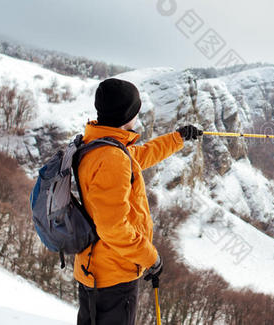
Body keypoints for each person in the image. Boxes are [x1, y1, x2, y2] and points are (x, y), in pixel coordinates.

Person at [74, 78, 202, 325]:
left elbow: (140, 156)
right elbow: (113, 227)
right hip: (113, 276)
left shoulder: (97, 144)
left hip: (93, 267)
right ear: (128, 115)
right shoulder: (112, 157)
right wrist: (149, 257)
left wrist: (178, 138)